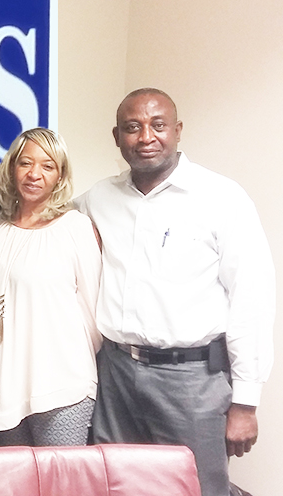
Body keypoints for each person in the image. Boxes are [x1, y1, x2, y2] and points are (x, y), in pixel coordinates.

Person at [77, 88, 275, 496]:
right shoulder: (98, 199)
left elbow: (251, 301)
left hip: (191, 379)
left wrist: (246, 403)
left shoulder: (222, 198)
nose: (146, 136)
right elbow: (46, 216)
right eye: (132, 127)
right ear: (117, 137)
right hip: (115, 376)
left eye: (158, 124)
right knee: (116, 485)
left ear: (178, 131)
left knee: (198, 489)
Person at [0, 128, 101, 447]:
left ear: (60, 175)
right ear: (11, 168)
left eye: (47, 166)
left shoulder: (75, 228)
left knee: (60, 486)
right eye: (26, 163)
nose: (35, 174)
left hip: (58, 389)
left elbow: (93, 319)